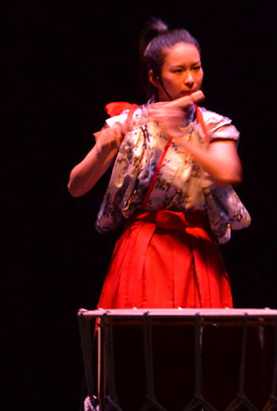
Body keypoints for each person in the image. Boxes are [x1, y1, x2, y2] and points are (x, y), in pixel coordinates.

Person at [68, 19, 250, 308]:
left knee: (199, 335)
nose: (190, 79)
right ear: (154, 78)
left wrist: (181, 138)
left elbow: (227, 172)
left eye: (196, 68)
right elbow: (76, 186)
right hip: (143, 250)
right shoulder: (130, 121)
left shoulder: (214, 125)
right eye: (178, 71)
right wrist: (102, 150)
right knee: (141, 333)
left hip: (196, 251)